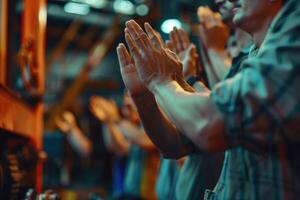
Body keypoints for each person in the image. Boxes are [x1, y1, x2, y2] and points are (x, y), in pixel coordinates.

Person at [116, 0, 300, 199]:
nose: (220, 1)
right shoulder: (249, 62)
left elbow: (207, 124)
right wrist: (143, 96)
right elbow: (175, 143)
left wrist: (160, 80)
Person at [90, 94, 159, 200]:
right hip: (132, 195)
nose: (126, 112)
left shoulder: (153, 126)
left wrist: (114, 118)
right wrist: (107, 121)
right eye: (125, 107)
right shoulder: (133, 128)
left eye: (129, 107)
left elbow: (145, 140)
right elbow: (118, 148)